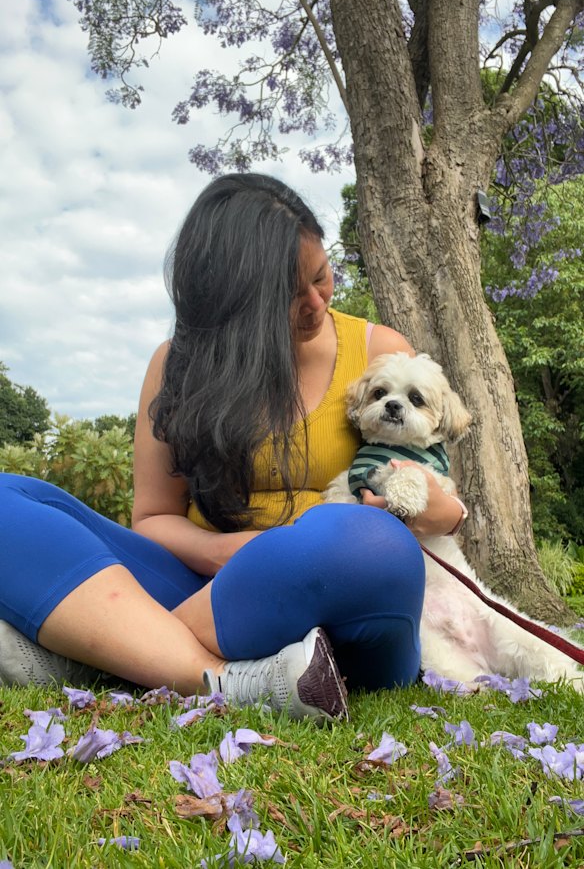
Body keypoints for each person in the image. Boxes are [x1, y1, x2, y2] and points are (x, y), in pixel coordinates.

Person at [0, 173, 466, 722]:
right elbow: (152, 518)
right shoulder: (177, 366)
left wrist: (447, 514)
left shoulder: (378, 351)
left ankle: (115, 649)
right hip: (207, 586)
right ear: (232, 304)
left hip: (343, 592)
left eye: (322, 277)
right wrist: (238, 552)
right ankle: (227, 678)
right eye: (290, 297)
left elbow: (420, 470)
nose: (316, 303)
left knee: (364, 540)